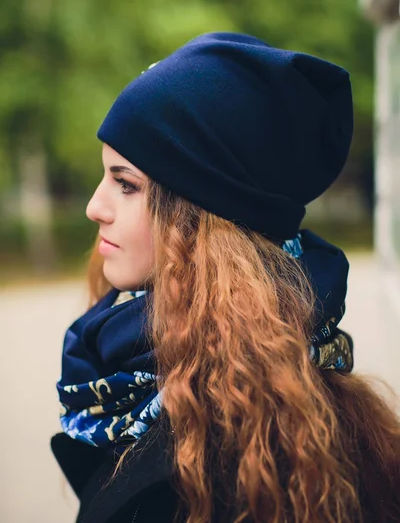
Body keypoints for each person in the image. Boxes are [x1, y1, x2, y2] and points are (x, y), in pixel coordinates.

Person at [51, 32, 400, 523]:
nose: (94, 207)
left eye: (126, 184)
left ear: (200, 221)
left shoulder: (243, 458)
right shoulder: (180, 375)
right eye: (104, 175)